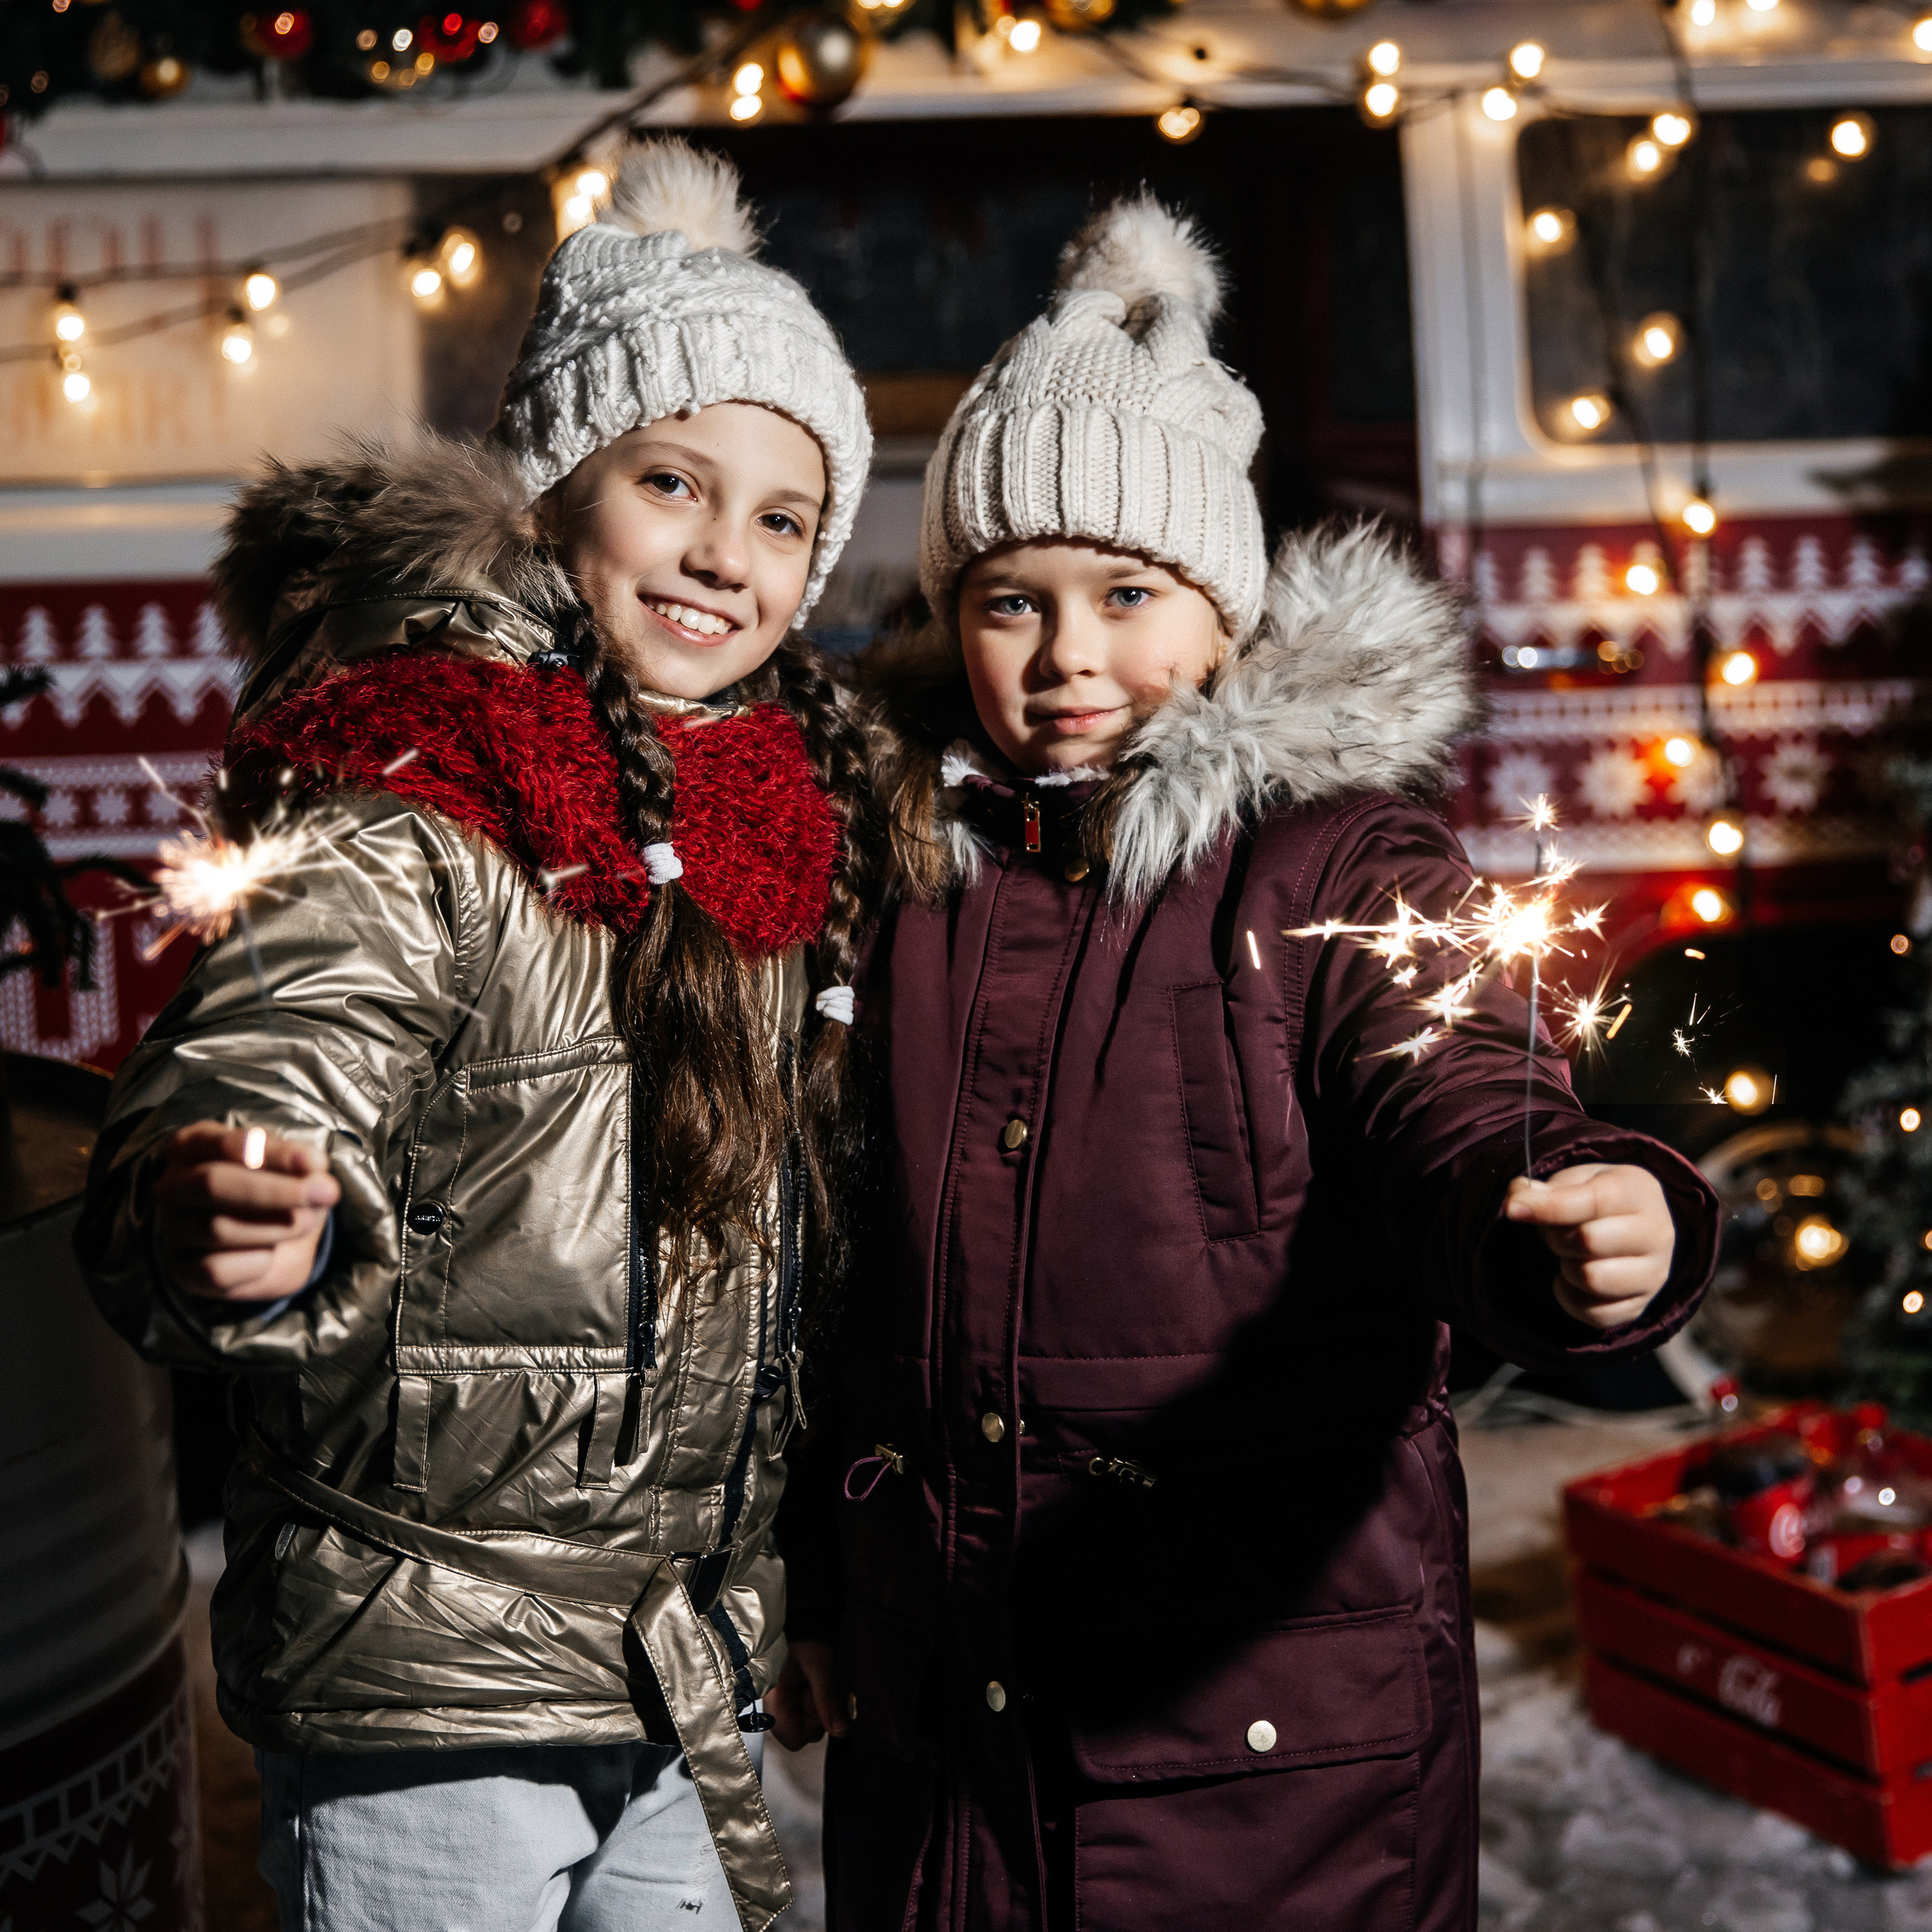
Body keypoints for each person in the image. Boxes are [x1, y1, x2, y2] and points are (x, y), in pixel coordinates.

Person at [763, 195, 1721, 1930]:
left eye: (1125, 592)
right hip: (949, 1728)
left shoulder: (1336, 862)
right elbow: (850, 1272)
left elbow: (1455, 1079)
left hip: (1249, 1744)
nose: (1065, 658)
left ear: (1217, 606)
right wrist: (827, 1574)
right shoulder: (900, 877)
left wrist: (1571, 1209)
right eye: (1008, 601)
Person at [76, 140, 875, 1932]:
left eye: (778, 516)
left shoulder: (788, 824)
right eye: (671, 480)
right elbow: (285, 1027)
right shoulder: (421, 792)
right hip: (423, 1670)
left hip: (681, 1664)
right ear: (557, 484)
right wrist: (240, 1189)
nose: (718, 554)